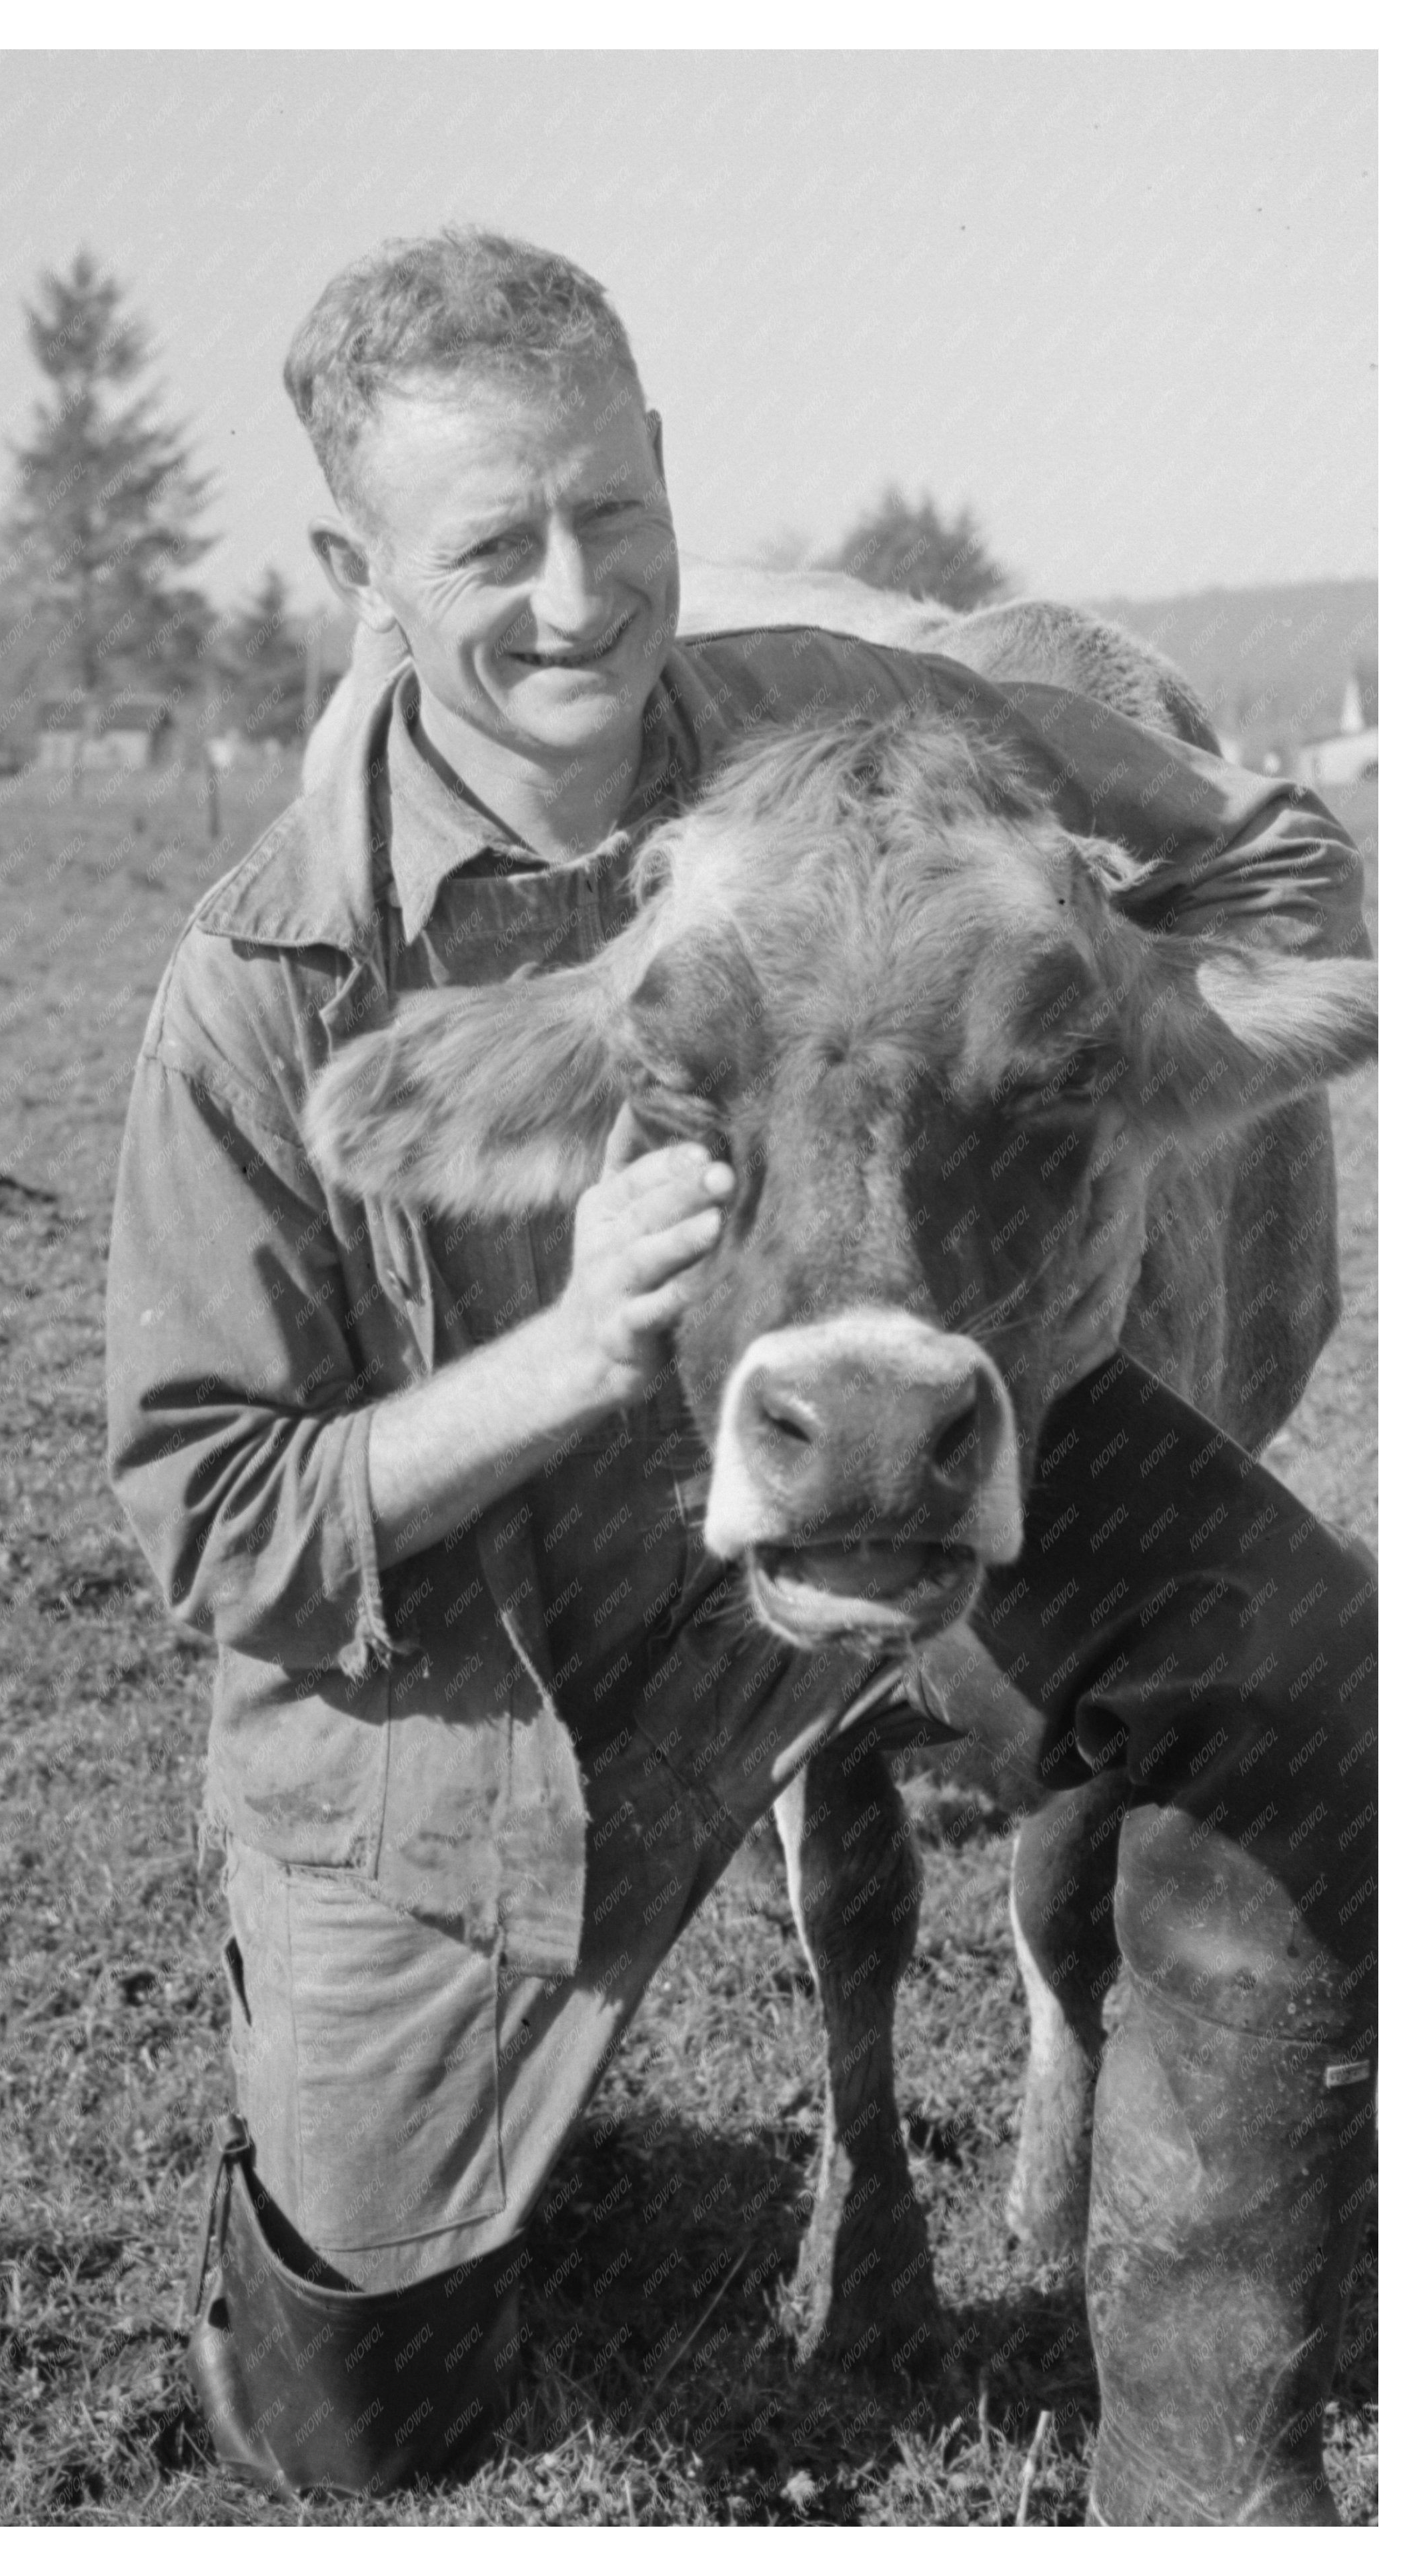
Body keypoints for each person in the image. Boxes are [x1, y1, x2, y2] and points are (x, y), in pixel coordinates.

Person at [107, 229, 1375, 2517]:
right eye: (492, 542)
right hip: (493, 1705)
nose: (579, 595)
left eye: (616, 511)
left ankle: (1204, 2476)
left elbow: (1120, 764)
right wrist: (573, 1354)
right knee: (356, 2434)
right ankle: (352, 2167)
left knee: (1300, 1650)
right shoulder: (265, 992)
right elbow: (207, 1518)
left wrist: (1196, 868)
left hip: (863, 1407)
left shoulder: (812, 716)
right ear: (357, 570)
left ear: (668, 474)